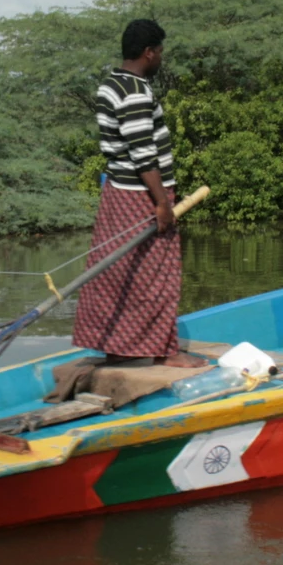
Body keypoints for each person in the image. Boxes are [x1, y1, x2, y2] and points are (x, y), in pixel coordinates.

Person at [70, 19, 200, 367]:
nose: (161, 59)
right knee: (157, 273)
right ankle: (165, 352)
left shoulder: (110, 85)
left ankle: (116, 348)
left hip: (117, 193)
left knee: (118, 271)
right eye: (159, 53)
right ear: (148, 53)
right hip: (140, 197)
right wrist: (161, 203)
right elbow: (143, 153)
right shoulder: (136, 93)